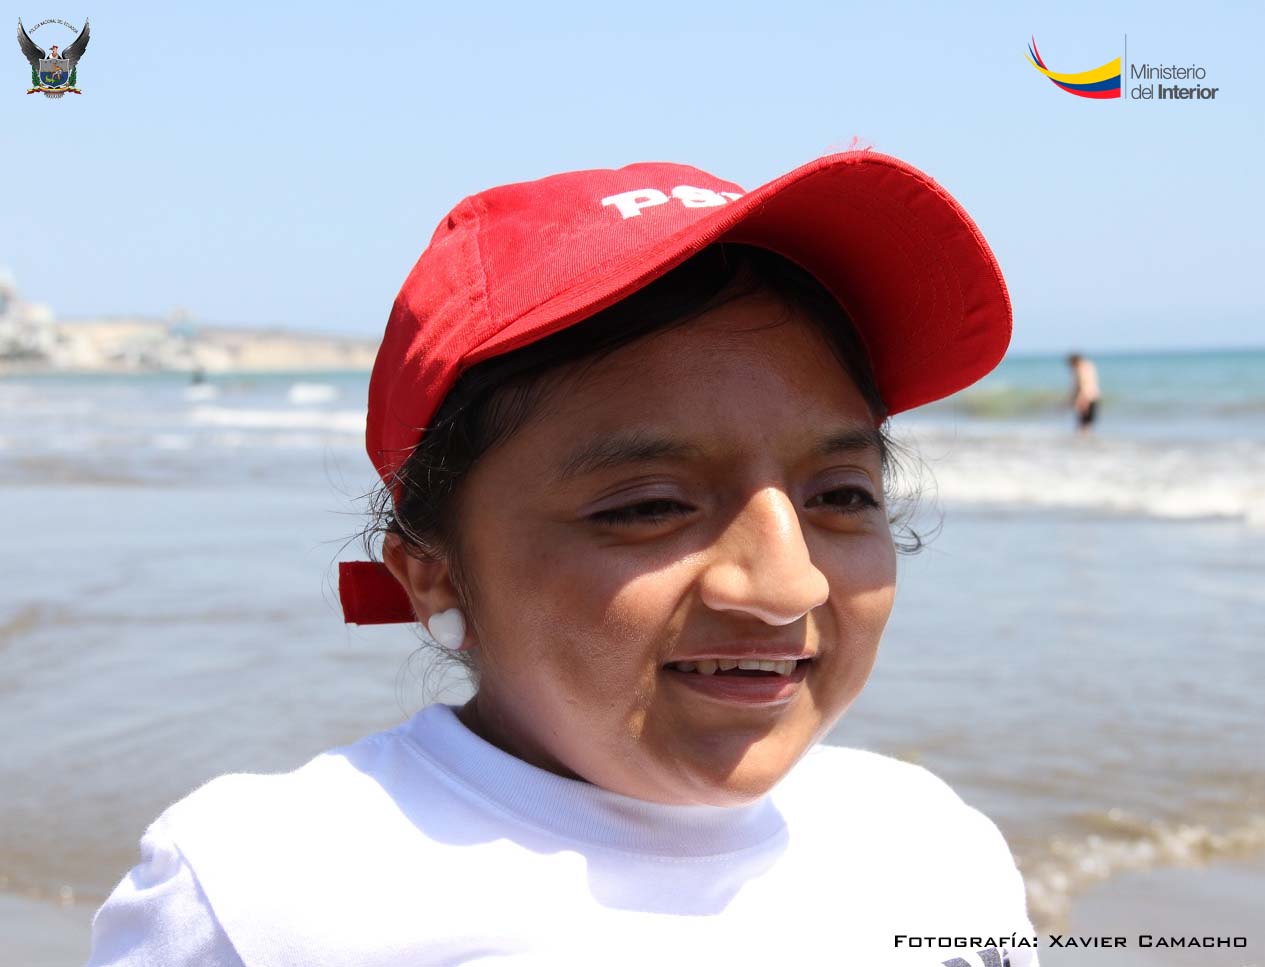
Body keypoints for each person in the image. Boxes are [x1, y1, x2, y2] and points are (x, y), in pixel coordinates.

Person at [86, 152, 1040, 966]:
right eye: (650, 506)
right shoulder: (264, 894)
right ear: (434, 573)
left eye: (841, 494)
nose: (786, 584)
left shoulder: (931, 849)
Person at [1066, 352, 1101, 433]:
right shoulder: (1089, 366)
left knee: (1083, 426)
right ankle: (1086, 440)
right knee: (1088, 424)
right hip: (1094, 396)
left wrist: (1081, 401)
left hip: (1085, 398)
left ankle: (1083, 440)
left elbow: (1082, 386)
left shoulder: (1079, 369)